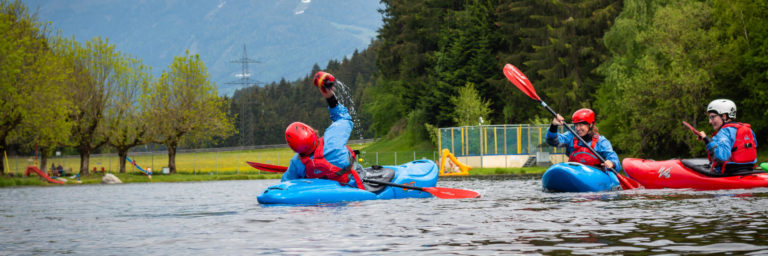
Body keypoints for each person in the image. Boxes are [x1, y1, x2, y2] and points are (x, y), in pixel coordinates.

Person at [281, 71, 365, 189]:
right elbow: (344, 117)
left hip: (324, 190)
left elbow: (285, 184)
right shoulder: (333, 138)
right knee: (356, 169)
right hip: (353, 181)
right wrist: (330, 97)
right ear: (312, 133)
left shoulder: (297, 163)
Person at [546, 108, 621, 171]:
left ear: (591, 124)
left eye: (581, 125)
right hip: (575, 173)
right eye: (576, 125)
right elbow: (552, 141)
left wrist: (612, 163)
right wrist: (553, 126)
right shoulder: (571, 136)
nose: (578, 128)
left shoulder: (602, 142)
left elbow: (615, 161)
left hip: (595, 175)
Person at [696, 99, 757, 174]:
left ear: (724, 116)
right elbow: (753, 146)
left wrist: (707, 140)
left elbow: (722, 157)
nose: (710, 121)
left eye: (712, 117)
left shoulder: (724, 132)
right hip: (749, 171)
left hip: (729, 173)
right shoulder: (748, 129)